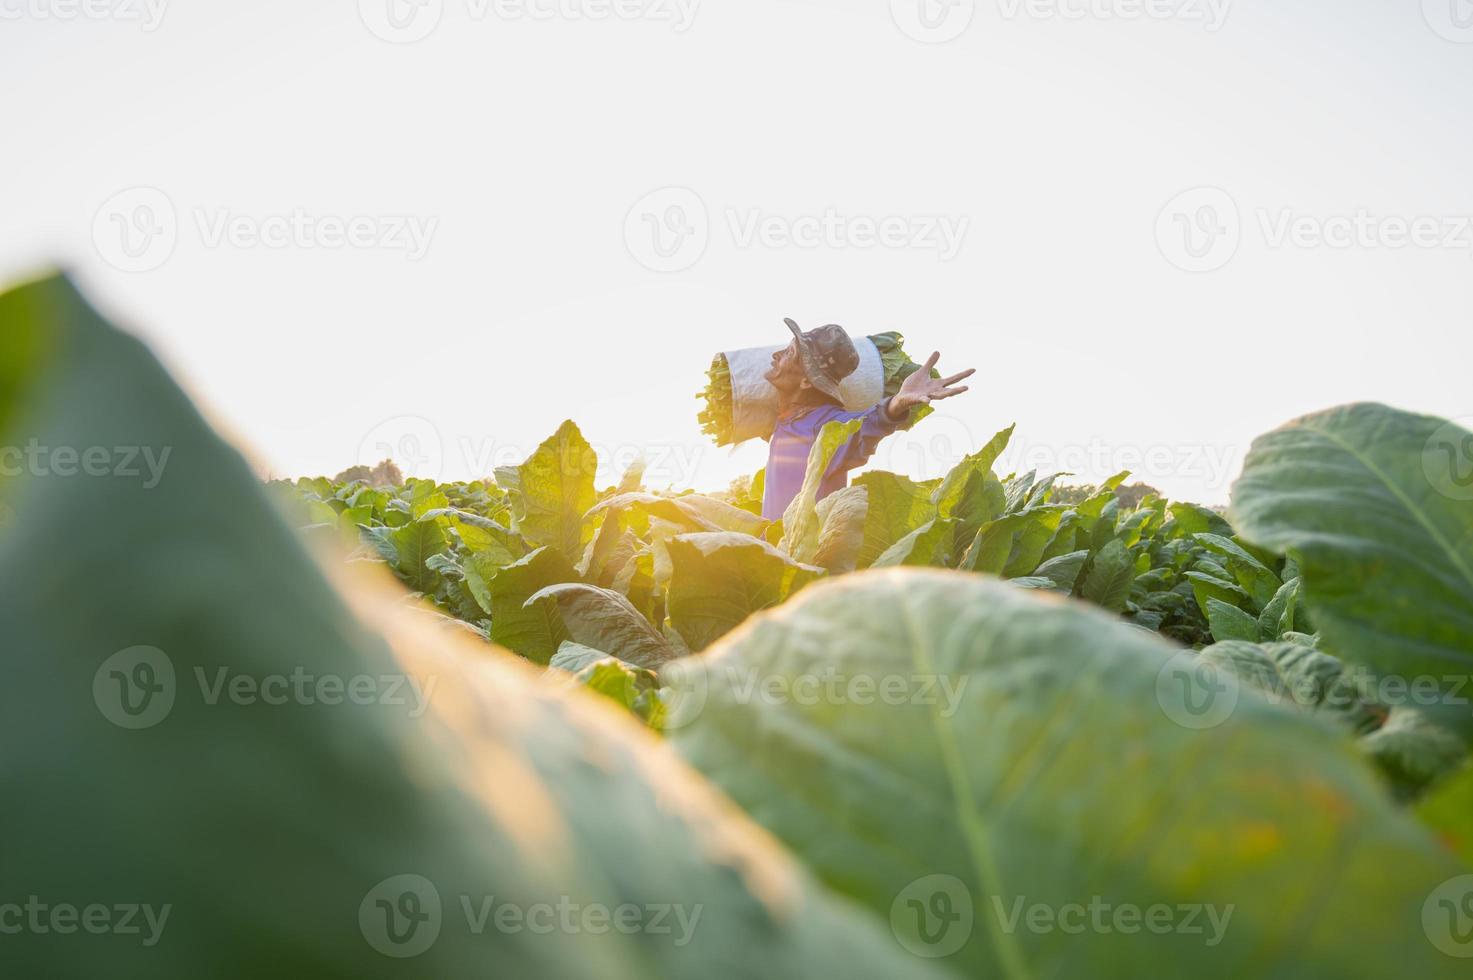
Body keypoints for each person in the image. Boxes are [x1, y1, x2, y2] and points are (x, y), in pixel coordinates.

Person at [761, 318, 975, 520]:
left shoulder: (826, 424)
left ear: (806, 382)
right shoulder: (786, 421)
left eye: (789, 352)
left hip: (800, 557)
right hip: (769, 553)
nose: (776, 355)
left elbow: (864, 427)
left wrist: (896, 404)